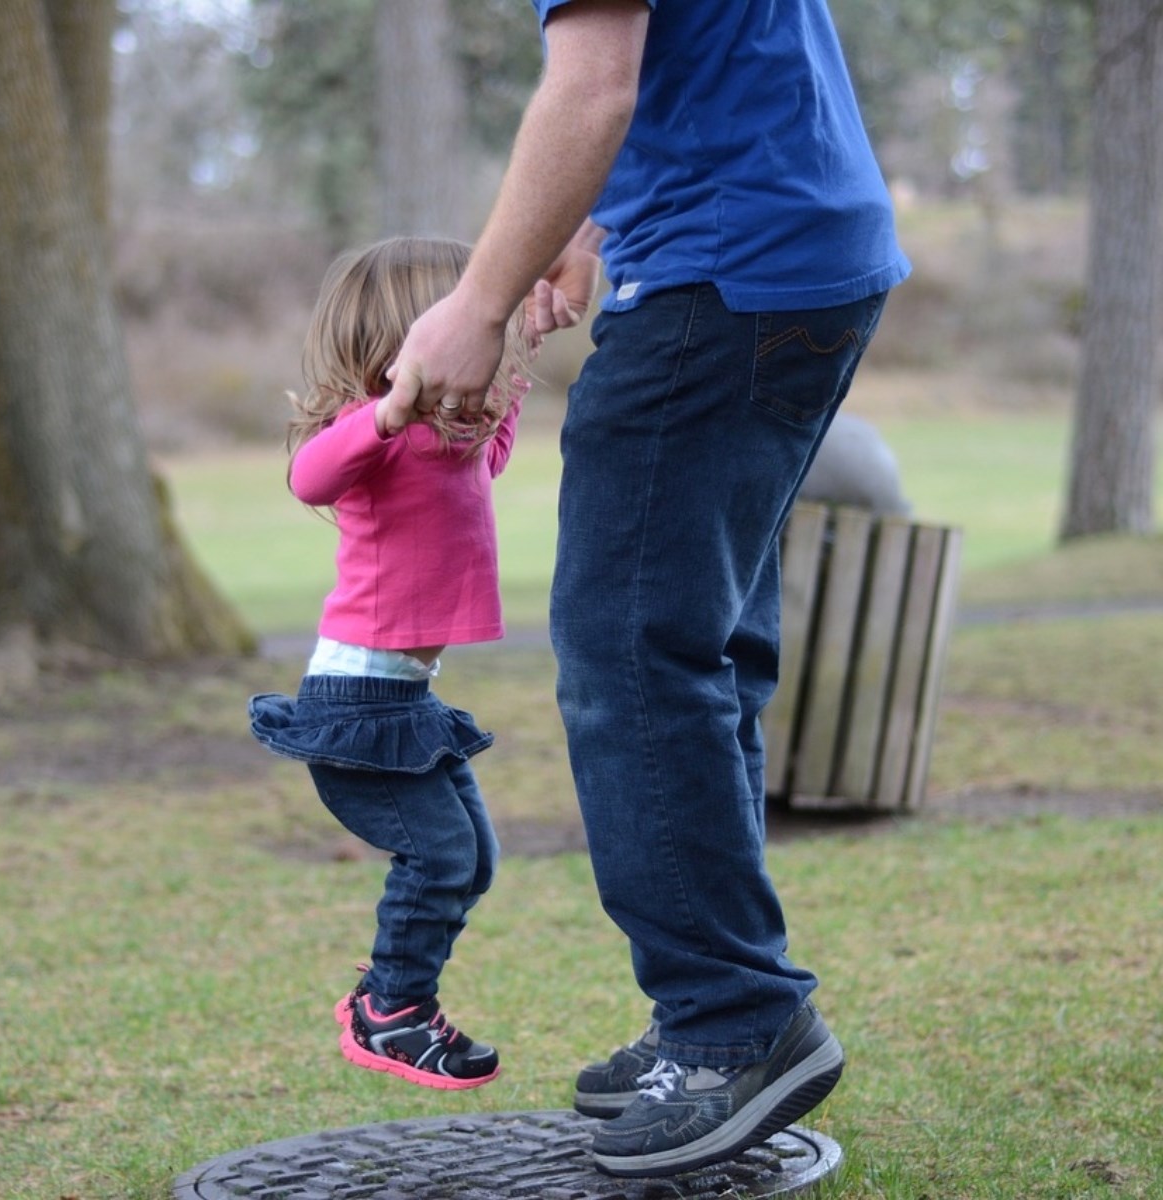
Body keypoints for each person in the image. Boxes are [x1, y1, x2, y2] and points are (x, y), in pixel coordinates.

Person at [384, 0, 911, 1177]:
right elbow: (694, 65)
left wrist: (476, 303)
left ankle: (734, 1022)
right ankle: (715, 1016)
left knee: (631, 655)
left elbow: (593, 87)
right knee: (703, 646)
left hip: (720, 277)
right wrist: (592, 222)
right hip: (799, 255)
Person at [248, 236, 533, 1091]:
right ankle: (394, 1013)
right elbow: (306, 478)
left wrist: (521, 357)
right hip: (356, 703)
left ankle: (390, 997)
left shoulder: (448, 446)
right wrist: (385, 411)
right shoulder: (369, 439)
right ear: (409, 340)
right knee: (443, 859)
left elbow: (493, 454)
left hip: (403, 701)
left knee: (474, 858)